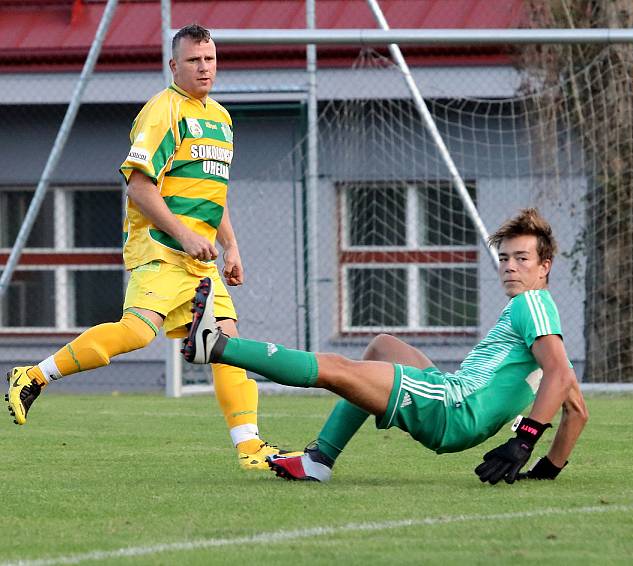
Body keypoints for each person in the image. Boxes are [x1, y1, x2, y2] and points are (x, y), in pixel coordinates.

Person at [5, 23, 299, 470]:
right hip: (160, 249)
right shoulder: (163, 111)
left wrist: (232, 247)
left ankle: (250, 448)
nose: (204, 67)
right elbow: (139, 188)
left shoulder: (220, 117)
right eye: (194, 60)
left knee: (229, 346)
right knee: (139, 332)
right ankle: (33, 375)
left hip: (199, 260)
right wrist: (184, 235)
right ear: (173, 65)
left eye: (210, 59)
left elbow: (212, 194)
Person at [182, 208, 589, 484]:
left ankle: (217, 347)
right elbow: (576, 408)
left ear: (545, 266)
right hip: (454, 398)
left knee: (338, 369)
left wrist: (523, 441)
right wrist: (546, 470)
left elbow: (558, 374)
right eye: (504, 259)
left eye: (522, 259)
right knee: (382, 347)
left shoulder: (531, 304)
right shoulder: (546, 322)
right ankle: (320, 460)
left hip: (452, 408)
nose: (510, 268)